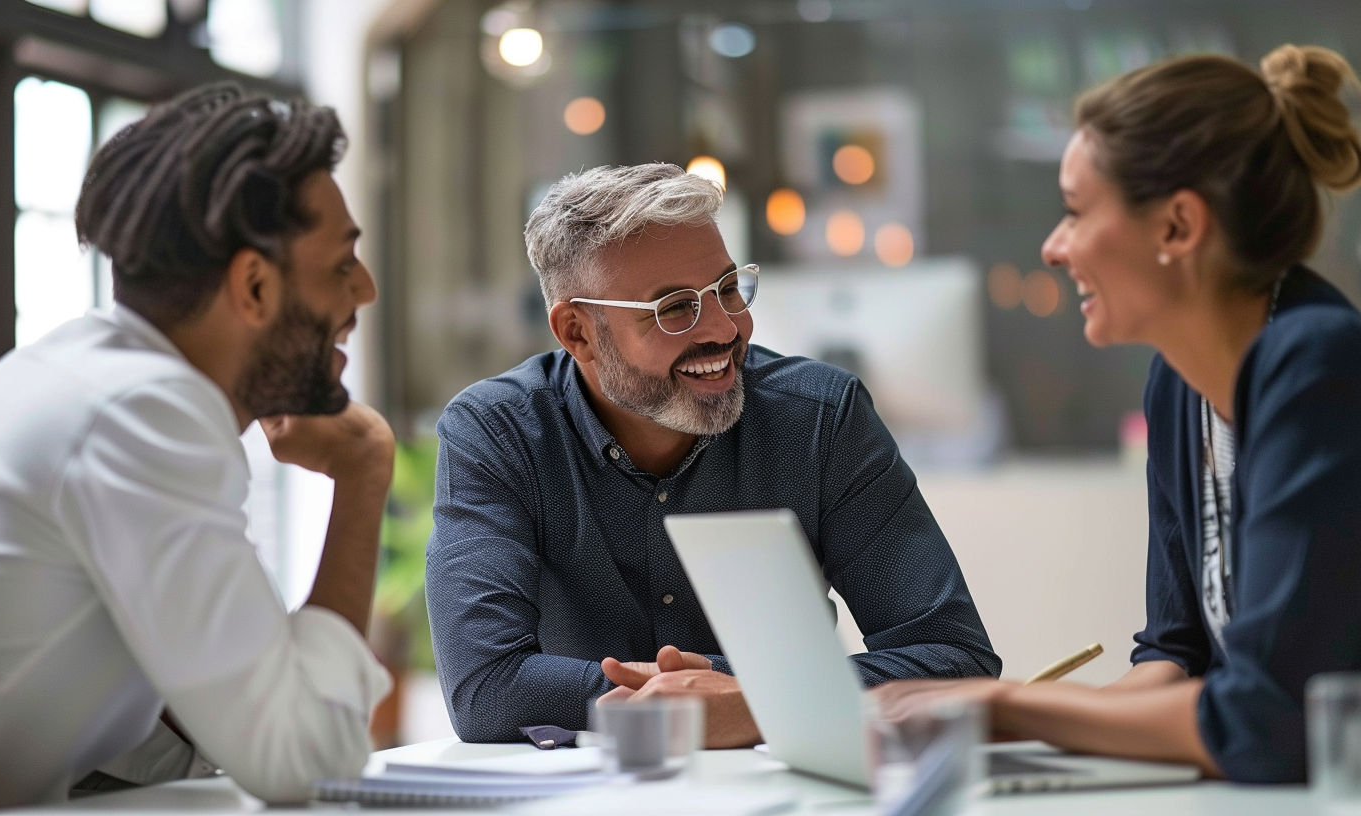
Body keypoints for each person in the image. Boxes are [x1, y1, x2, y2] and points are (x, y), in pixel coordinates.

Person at [876, 45, 1361, 783]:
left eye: (1074, 211)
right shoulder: (1177, 384)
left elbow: (1263, 721)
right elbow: (1174, 660)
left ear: (1177, 227)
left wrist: (1002, 706)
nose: (1053, 247)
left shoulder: (1316, 363)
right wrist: (982, 731)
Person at [0, 84, 395, 814]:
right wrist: (363, 469)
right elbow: (304, 760)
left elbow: (225, 718)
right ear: (254, 287)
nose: (365, 290)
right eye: (339, 267)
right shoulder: (144, 413)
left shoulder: (93, 380)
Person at [425, 163, 1001, 747]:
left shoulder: (821, 417)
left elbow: (956, 660)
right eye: (674, 307)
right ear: (578, 332)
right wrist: (719, 700)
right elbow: (486, 690)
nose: (725, 329)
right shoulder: (498, 432)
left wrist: (749, 704)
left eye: (728, 289)